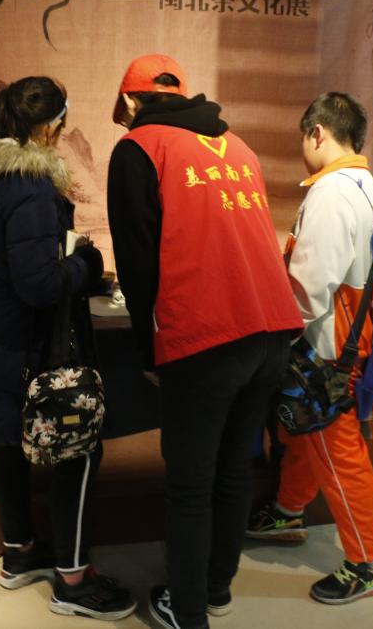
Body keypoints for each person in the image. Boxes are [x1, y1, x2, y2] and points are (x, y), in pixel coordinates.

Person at [107, 54, 304, 629]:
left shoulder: (138, 149)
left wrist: (149, 349)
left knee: (190, 484)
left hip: (205, 337)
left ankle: (188, 612)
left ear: (131, 101)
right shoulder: (237, 146)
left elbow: (137, 264)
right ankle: (216, 588)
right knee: (233, 469)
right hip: (271, 329)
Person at [0, 76, 136, 622]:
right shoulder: (26, 184)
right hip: (35, 344)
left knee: (6, 442)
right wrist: (86, 264)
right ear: (47, 128)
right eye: (61, 128)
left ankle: (19, 552)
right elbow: (40, 284)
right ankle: (74, 581)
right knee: (78, 448)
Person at [245, 92, 373, 605]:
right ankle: (289, 511)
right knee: (309, 432)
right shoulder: (367, 186)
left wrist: (275, 335)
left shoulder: (331, 193)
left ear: (317, 133)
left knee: (339, 452)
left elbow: (309, 290)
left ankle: (370, 563)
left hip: (326, 346)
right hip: (350, 336)